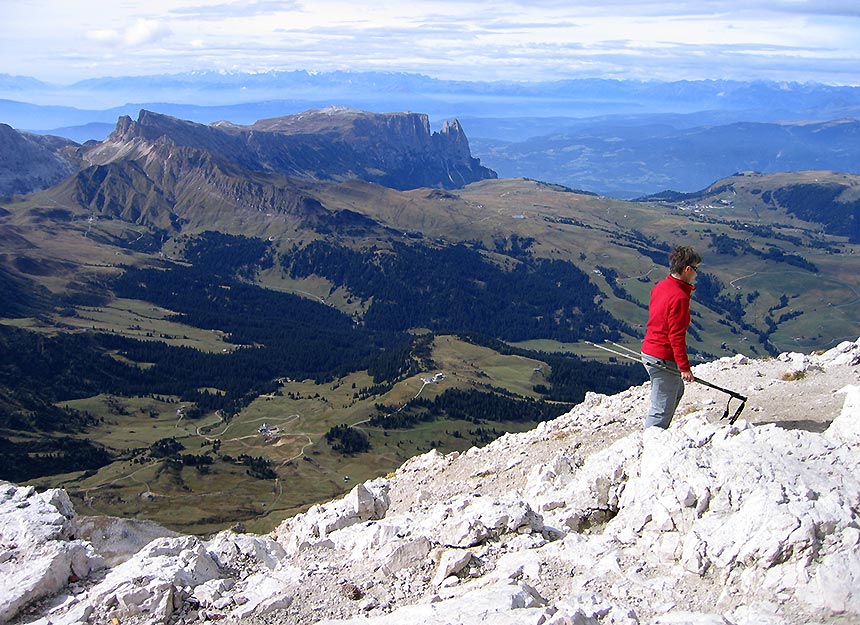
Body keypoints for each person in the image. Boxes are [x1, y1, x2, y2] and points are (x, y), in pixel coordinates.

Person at [641, 245, 702, 429]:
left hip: (649, 350)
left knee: (676, 390)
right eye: (696, 269)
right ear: (687, 269)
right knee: (661, 409)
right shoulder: (679, 297)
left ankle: (660, 433)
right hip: (662, 357)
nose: (696, 274)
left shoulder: (661, 287)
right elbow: (676, 336)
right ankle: (651, 444)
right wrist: (684, 368)